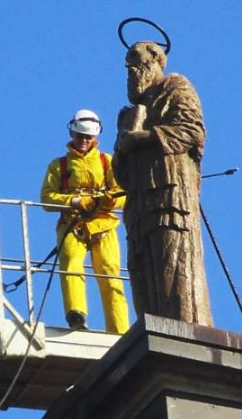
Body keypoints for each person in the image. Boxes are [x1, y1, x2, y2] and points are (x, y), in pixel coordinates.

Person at [113, 42, 213, 326]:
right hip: (138, 203)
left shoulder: (176, 87)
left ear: (155, 57)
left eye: (134, 58)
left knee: (173, 264)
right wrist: (123, 145)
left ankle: (184, 330)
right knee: (141, 269)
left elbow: (192, 131)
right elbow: (121, 175)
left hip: (170, 193)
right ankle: (152, 330)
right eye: (126, 61)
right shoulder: (131, 111)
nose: (128, 66)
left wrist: (143, 138)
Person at [40, 110, 129, 333]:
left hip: (104, 224)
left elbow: (123, 192)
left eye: (88, 138)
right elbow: (47, 199)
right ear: (72, 132)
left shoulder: (106, 162)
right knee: (71, 264)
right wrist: (75, 200)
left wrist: (109, 200)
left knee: (110, 274)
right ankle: (76, 314)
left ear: (95, 138)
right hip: (73, 224)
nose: (84, 141)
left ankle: (119, 329)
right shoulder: (59, 165)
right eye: (80, 136)